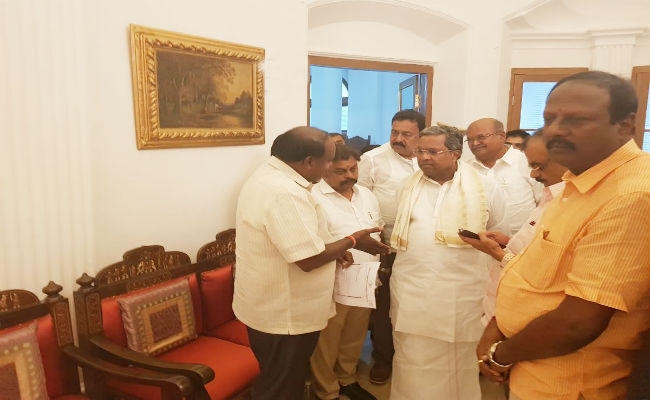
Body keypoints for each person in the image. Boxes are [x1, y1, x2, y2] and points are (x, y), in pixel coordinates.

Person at [475, 71, 650, 400]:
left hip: (567, 384)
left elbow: (578, 323)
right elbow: (536, 276)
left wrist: (501, 354)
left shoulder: (631, 194)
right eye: (549, 119)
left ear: (625, 125)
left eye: (576, 120)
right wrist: (498, 324)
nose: (555, 130)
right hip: (531, 369)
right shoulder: (578, 180)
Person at [233, 126, 390, 400]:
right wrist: (352, 240)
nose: (330, 168)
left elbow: (300, 238)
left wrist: (336, 250)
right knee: (281, 388)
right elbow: (308, 259)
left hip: (273, 306)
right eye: (328, 161)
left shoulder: (271, 176)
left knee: (280, 381)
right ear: (308, 161)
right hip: (284, 314)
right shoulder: (284, 192)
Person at [389, 125, 509, 399]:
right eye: (421, 151)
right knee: (412, 358)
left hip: (463, 293)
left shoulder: (485, 187)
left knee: (460, 360)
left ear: (455, 154)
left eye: (433, 152)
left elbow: (499, 233)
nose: (424, 157)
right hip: (413, 291)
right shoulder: (407, 186)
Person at [460, 130, 568, 325]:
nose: (533, 174)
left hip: (530, 316)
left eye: (539, 166)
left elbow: (542, 272)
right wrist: (508, 243)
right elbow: (536, 250)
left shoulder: (570, 206)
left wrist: (498, 254)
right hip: (504, 308)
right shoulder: (550, 196)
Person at [357, 109, 425, 384]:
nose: (398, 138)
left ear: (421, 135)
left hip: (423, 246)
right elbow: (358, 201)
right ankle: (383, 358)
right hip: (386, 246)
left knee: (416, 303)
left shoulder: (429, 157)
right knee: (384, 305)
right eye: (394, 132)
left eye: (406, 134)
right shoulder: (373, 159)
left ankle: (413, 357)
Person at [310, 145, 380, 400]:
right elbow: (313, 244)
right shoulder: (313, 197)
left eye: (353, 168)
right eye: (341, 171)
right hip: (332, 279)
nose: (350, 175)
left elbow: (376, 227)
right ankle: (326, 390)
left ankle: (346, 379)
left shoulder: (366, 194)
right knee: (327, 340)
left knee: (355, 335)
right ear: (325, 170)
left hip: (366, 277)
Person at [465, 118, 543, 236]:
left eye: (481, 137)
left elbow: (545, 202)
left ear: (501, 136)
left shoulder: (525, 161)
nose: (475, 143)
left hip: (525, 240)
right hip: (480, 242)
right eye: (470, 140)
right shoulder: (465, 169)